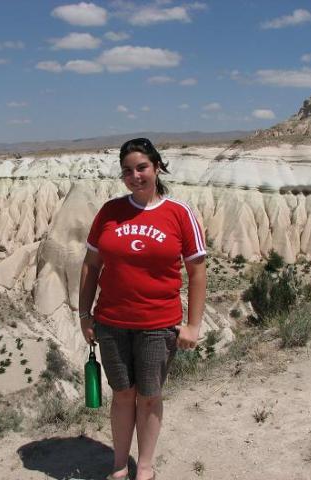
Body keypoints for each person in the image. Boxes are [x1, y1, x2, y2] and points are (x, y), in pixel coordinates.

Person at [78, 138, 207, 480]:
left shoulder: (179, 213)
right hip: (111, 322)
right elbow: (91, 264)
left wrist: (193, 325)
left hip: (158, 324)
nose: (135, 176)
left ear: (157, 167)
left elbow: (197, 270)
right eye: (127, 171)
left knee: (149, 397)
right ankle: (120, 464)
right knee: (122, 395)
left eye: (141, 168)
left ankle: (145, 466)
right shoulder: (109, 212)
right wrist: (84, 314)